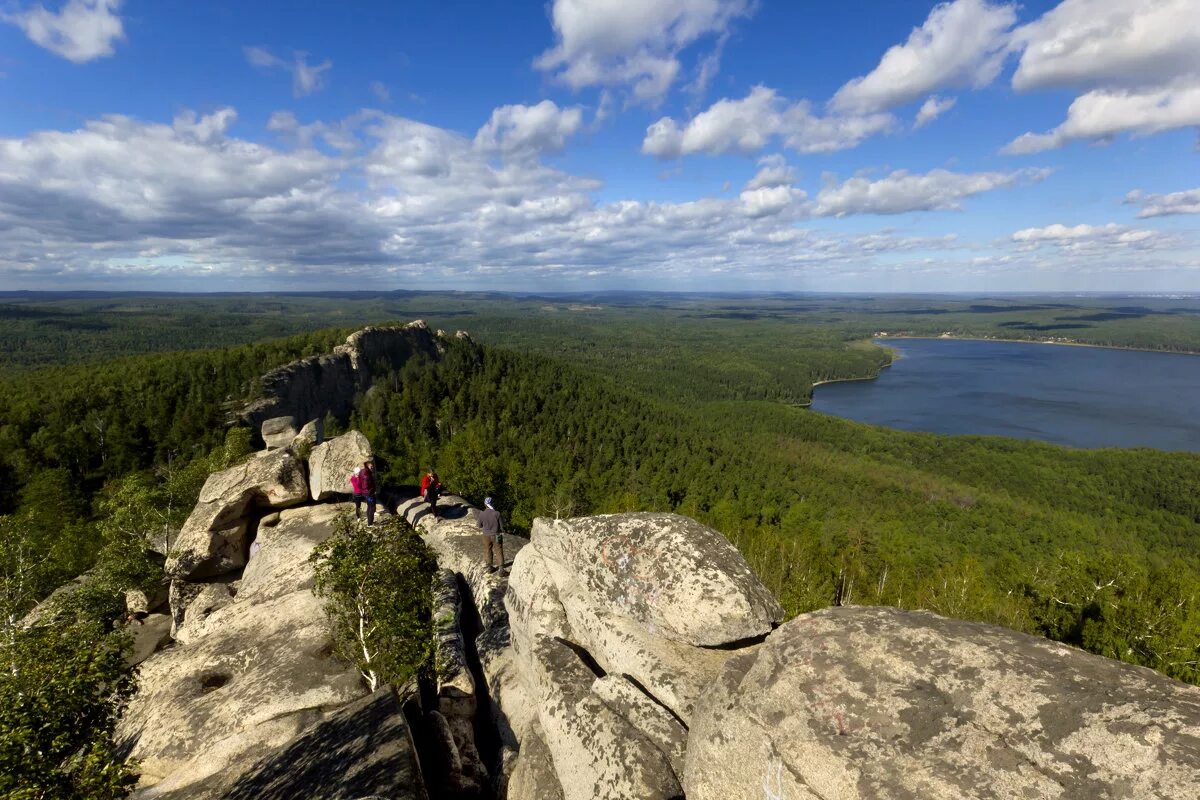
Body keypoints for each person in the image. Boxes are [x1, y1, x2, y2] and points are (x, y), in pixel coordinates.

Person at [478, 496, 505, 572]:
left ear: (485, 504)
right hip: (497, 534)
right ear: (492, 504)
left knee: (488, 549)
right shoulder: (497, 513)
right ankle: (501, 569)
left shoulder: (482, 514)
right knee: (499, 549)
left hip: (486, 535)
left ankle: (489, 567)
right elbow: (502, 526)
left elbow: (479, 525)